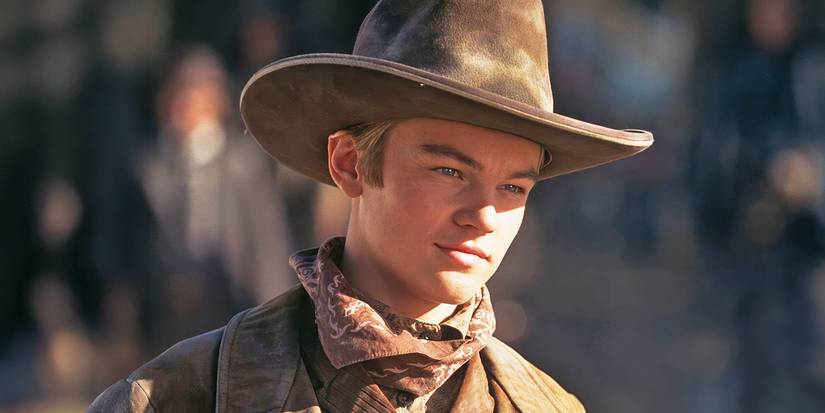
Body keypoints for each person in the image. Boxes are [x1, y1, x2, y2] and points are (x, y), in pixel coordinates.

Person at [89, 0, 653, 411]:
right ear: (350, 165)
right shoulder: (178, 397)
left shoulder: (544, 406)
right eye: (449, 171)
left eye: (513, 188)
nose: (484, 216)